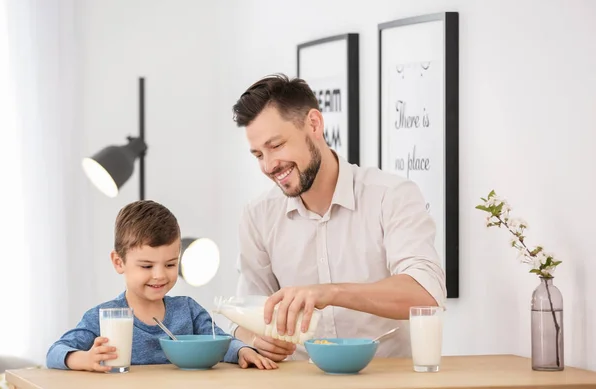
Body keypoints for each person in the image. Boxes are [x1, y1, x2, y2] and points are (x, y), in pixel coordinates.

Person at [230, 74, 446, 361]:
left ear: (314, 124)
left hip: (386, 380)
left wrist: (329, 293)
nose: (269, 166)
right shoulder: (258, 216)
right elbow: (244, 313)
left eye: (277, 145)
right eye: (258, 154)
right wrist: (254, 339)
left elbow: (426, 294)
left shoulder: (391, 196)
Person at [46, 200, 277, 372]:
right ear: (119, 262)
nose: (159, 276)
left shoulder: (188, 310)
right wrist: (85, 359)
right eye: (146, 266)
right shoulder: (104, 317)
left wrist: (243, 351)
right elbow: (55, 352)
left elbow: (220, 342)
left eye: (169, 264)